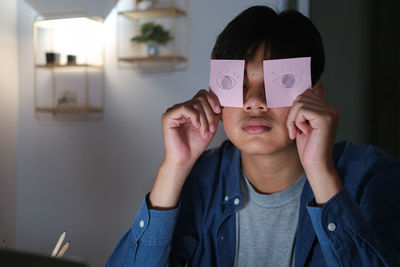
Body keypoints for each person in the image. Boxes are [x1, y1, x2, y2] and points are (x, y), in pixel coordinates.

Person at [106, 5, 400, 267]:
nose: (255, 100)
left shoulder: (374, 176)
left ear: (314, 98)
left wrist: (320, 171)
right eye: (237, 83)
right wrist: (174, 166)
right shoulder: (200, 179)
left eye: (282, 81)